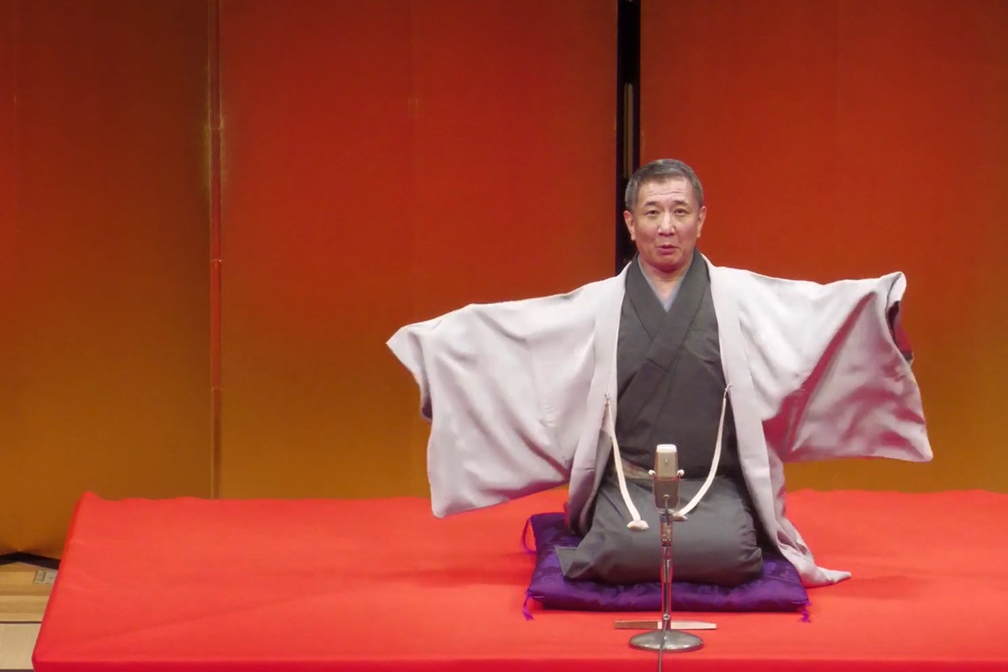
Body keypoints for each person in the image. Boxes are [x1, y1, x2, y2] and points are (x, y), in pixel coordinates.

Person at [387, 159, 930, 588]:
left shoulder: (739, 297)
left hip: (714, 480)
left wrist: (878, 310)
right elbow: (520, 336)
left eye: (679, 211)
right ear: (630, 223)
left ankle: (715, 529)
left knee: (730, 554)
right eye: (651, 212)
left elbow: (813, 315)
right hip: (628, 483)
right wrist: (441, 354)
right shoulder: (599, 305)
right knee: (622, 549)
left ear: (701, 219)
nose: (666, 228)